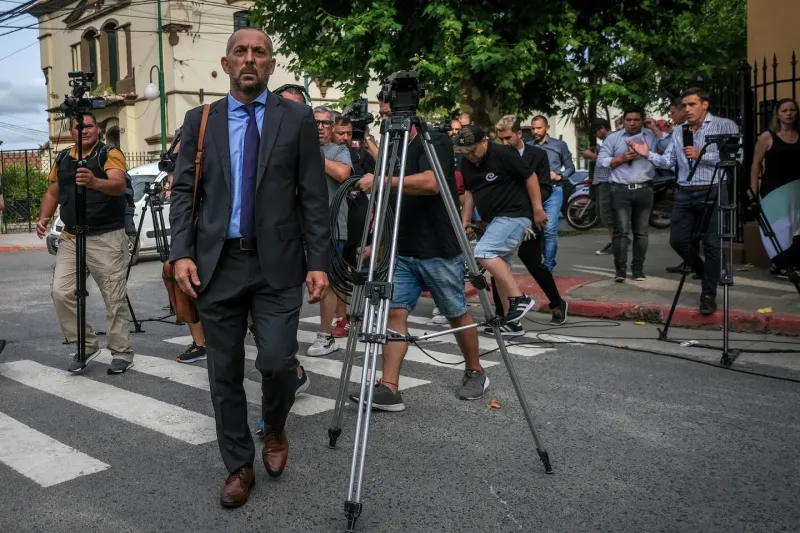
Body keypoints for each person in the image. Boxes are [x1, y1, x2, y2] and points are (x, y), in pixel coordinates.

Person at [168, 27, 329, 508]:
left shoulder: (297, 118)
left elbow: (313, 196)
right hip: (217, 266)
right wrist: (180, 252)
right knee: (224, 373)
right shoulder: (201, 120)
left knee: (278, 361)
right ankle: (239, 464)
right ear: (226, 64)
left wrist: (319, 261)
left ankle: (275, 428)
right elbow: (182, 193)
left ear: (271, 65)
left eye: (259, 52)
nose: (249, 59)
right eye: (241, 51)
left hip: (277, 263)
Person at [349, 117, 487, 411]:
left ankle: (475, 370)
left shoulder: (432, 140)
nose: (388, 120)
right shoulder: (393, 147)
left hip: (437, 246)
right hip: (403, 246)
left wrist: (381, 181)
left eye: (392, 112)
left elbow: (431, 182)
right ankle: (389, 388)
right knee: (394, 313)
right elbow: (390, 189)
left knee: (455, 312)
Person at [36, 113, 135, 374]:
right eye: (80, 127)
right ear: (71, 131)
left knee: (113, 296)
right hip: (71, 237)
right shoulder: (63, 158)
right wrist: (44, 216)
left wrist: (94, 181)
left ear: (97, 129)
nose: (85, 130)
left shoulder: (109, 153)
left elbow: (118, 184)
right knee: (61, 292)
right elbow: (53, 191)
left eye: (90, 126)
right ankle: (86, 345)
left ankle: (121, 352)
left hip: (106, 236)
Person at [627, 87, 740, 314]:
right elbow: (669, 161)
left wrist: (703, 156)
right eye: (685, 105)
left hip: (714, 188)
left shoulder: (724, 125)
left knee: (712, 243)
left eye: (692, 104)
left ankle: (708, 294)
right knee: (678, 240)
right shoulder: (680, 131)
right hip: (685, 191)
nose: (687, 109)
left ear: (705, 104)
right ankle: (708, 270)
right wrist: (646, 153)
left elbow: (736, 157)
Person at [456, 124, 547, 323]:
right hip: (496, 220)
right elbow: (470, 191)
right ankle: (511, 322)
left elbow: (530, 177)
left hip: (515, 215)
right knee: (499, 269)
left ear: (484, 141)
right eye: (464, 152)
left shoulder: (504, 153)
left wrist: (538, 209)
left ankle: (519, 299)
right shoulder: (466, 162)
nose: (470, 156)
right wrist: (466, 220)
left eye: (472, 150)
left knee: (483, 252)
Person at [491, 115, 568, 331]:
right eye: (501, 139)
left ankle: (557, 302)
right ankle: (502, 313)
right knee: (498, 263)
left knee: (533, 262)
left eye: (508, 138)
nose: (504, 143)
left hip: (528, 216)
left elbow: (545, 187)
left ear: (518, 134)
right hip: (504, 216)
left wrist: (532, 207)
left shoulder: (537, 155)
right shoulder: (498, 155)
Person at [306, 106, 353, 356]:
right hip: (300, 227)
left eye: (326, 123)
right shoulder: (297, 149)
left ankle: (325, 336)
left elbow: (344, 173)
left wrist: (314, 155)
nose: (321, 127)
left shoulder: (339, 151)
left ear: (333, 127)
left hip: (333, 228)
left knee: (330, 283)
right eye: (316, 122)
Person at [597, 105, 660, 281]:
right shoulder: (613, 138)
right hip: (620, 189)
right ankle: (620, 270)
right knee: (621, 231)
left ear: (642, 120)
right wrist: (620, 159)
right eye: (628, 120)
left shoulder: (651, 136)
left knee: (641, 232)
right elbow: (601, 162)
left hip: (644, 188)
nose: (632, 123)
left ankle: (638, 269)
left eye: (636, 120)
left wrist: (656, 128)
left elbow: (667, 149)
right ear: (623, 120)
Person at [749, 98, 800, 281]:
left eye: (792, 110)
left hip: (796, 189)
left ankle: (788, 263)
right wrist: (753, 188)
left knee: (795, 228)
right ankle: (780, 264)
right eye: (784, 110)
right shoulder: (767, 137)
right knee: (780, 228)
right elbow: (756, 165)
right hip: (773, 191)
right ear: (777, 114)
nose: (789, 113)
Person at [527, 116, 576, 271]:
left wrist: (559, 176)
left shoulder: (559, 145)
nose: (535, 131)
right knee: (536, 230)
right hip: (534, 191)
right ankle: (542, 260)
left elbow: (570, 167)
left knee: (550, 229)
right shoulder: (528, 146)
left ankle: (548, 266)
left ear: (547, 128)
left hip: (554, 190)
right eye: (533, 128)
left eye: (539, 128)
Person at [581, 119, 613, 255]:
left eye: (595, 132)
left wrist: (592, 156)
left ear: (602, 128)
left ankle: (616, 243)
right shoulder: (607, 140)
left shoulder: (612, 139)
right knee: (605, 214)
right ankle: (618, 240)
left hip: (607, 181)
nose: (596, 136)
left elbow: (613, 160)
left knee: (608, 215)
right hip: (602, 181)